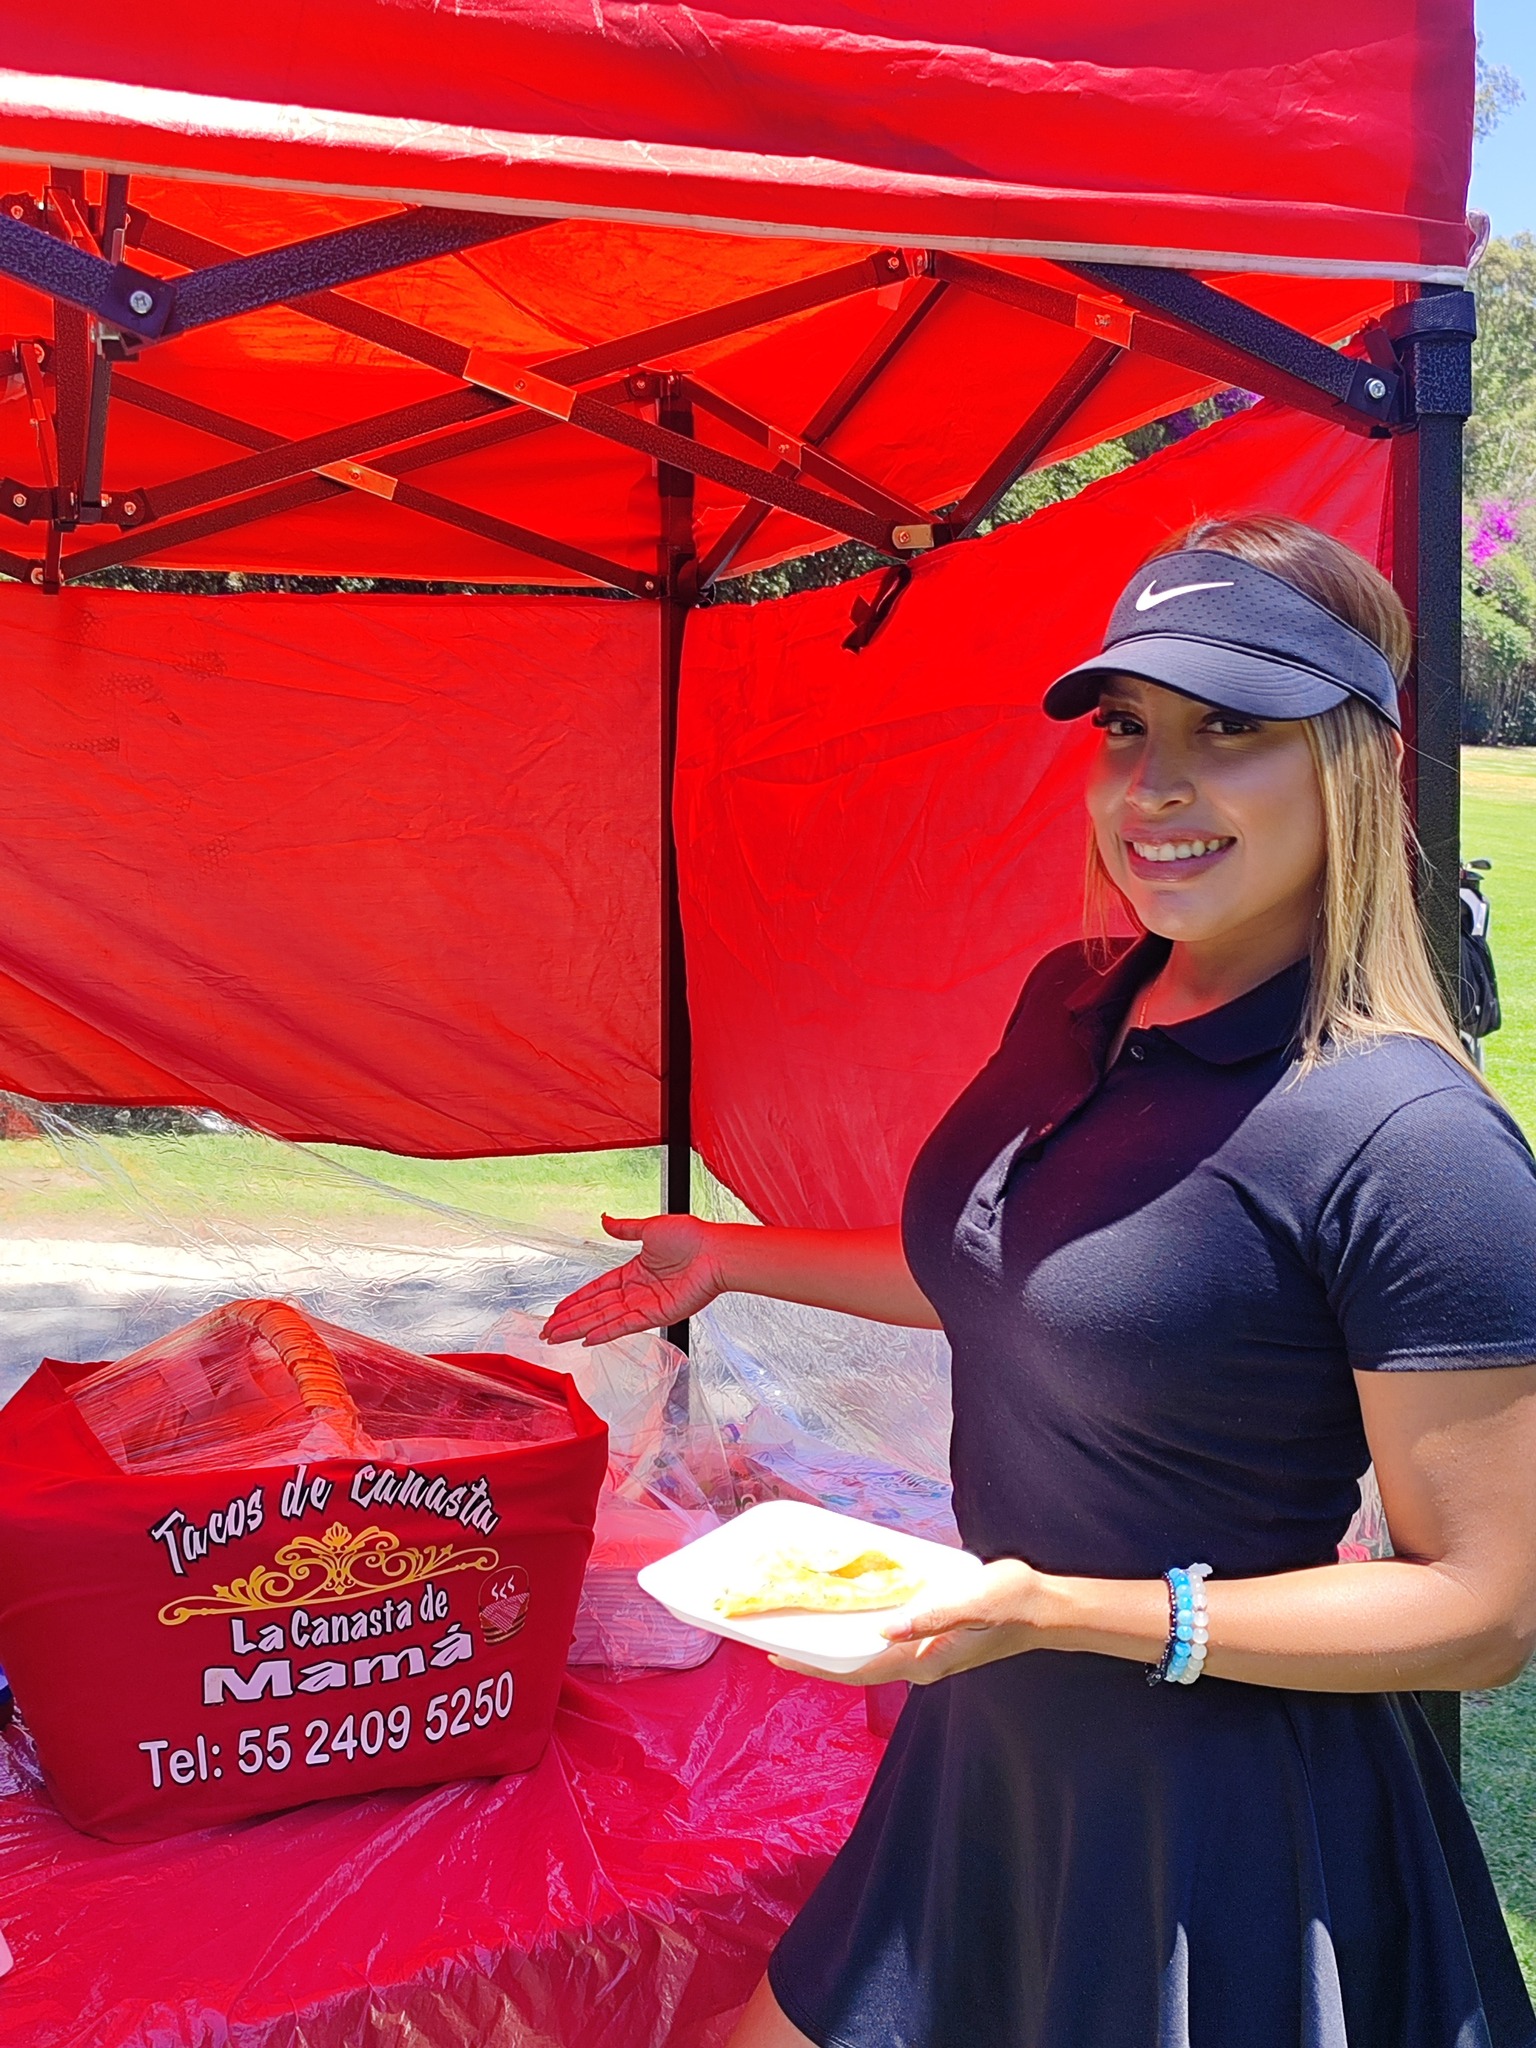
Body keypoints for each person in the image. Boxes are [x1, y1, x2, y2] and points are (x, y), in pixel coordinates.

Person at [544, 516, 1536, 2048]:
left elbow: (1480, 1611)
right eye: (1128, 730)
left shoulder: (1409, 1139)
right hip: (996, 1732)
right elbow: (1037, 1285)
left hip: (1227, 1824)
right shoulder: (1078, 998)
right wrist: (735, 1258)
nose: (1157, 787)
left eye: (1233, 732)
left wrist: (1073, 1611)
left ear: (1354, 764)